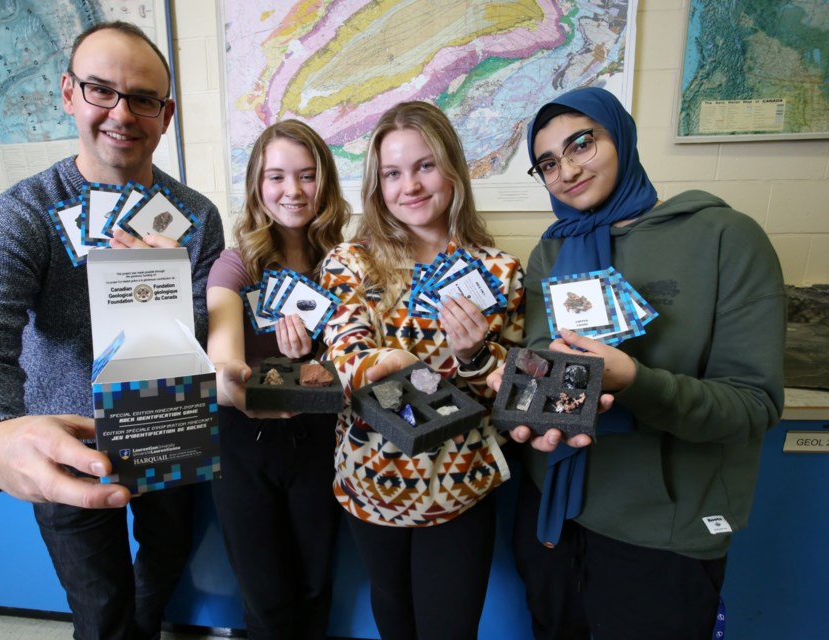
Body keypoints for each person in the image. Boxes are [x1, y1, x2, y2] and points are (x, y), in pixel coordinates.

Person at [0, 21, 225, 640]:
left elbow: (203, 330)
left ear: (165, 115)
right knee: (100, 605)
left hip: (165, 431)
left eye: (142, 99)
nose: (121, 113)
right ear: (67, 93)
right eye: (100, 90)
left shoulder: (196, 215)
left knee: (164, 566)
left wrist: (155, 286)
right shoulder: (22, 214)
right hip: (67, 441)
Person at [487, 86, 785, 640]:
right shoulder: (551, 252)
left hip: (660, 530)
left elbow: (753, 405)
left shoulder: (724, 238)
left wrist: (635, 381)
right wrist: (522, 389)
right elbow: (547, 368)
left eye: (581, 144)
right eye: (547, 163)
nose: (568, 170)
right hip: (552, 512)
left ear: (619, 134)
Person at [319, 101, 525, 640]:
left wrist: (476, 355)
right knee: (394, 616)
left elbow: (513, 389)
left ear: (454, 169)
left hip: (460, 485)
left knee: (449, 627)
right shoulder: (352, 260)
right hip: (372, 480)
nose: (409, 185)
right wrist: (385, 363)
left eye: (425, 165)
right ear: (377, 184)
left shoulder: (499, 271)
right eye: (392, 173)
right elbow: (346, 346)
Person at [205, 120, 349, 639]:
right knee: (265, 596)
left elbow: (356, 355)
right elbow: (222, 358)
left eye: (307, 176)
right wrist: (237, 385)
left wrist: (311, 358)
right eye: (276, 177)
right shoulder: (238, 264)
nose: (292, 191)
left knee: (314, 584)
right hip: (244, 443)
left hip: (318, 438)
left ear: (326, 183)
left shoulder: (345, 263)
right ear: (257, 186)